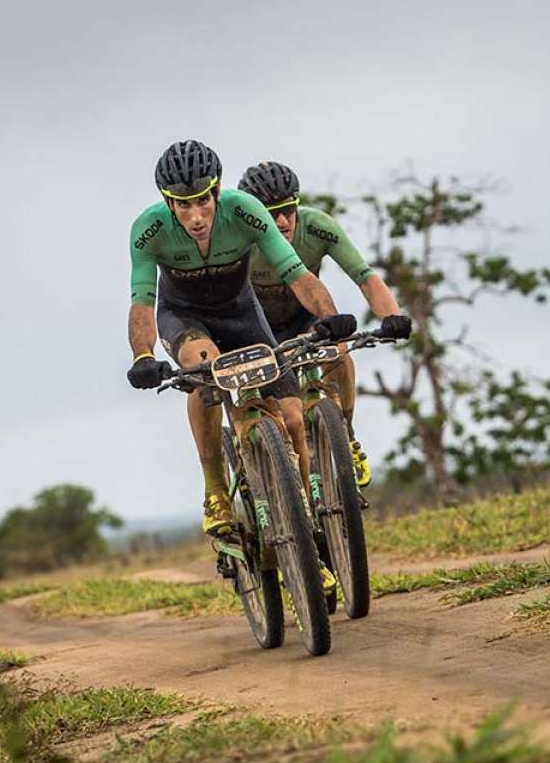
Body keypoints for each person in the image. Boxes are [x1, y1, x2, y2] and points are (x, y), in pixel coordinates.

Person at [126, 140, 356, 539]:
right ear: (168, 202)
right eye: (184, 205)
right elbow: (143, 300)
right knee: (204, 367)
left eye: (203, 201)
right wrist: (143, 354)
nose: (196, 216)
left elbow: (296, 272)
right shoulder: (148, 230)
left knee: (293, 417)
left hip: (242, 312)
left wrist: (329, 317)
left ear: (216, 191)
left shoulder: (244, 212)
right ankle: (215, 490)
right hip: (185, 316)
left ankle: (308, 524)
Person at [238, 161, 412, 487]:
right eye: (270, 213)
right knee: (260, 404)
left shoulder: (317, 226)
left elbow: (364, 275)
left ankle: (345, 434)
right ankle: (250, 466)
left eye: (288, 210)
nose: (281, 221)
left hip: (303, 315)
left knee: (339, 351)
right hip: (255, 327)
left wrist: (391, 315)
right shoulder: (241, 241)